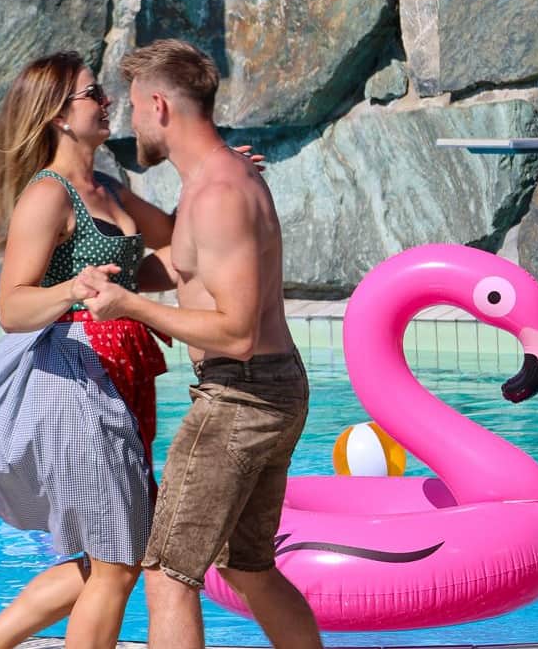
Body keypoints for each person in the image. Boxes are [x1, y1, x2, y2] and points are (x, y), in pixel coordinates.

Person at [0, 50, 180, 649]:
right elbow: (13, 307)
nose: (105, 102)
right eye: (92, 93)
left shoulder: (109, 188)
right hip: (77, 379)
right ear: (58, 115)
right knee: (119, 562)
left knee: (121, 551)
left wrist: (230, 179)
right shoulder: (48, 196)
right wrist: (72, 287)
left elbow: (174, 243)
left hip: (127, 379)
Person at [79, 38, 324, 649]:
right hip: (269, 390)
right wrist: (107, 268)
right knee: (247, 567)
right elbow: (183, 268)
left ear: (159, 106)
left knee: (167, 574)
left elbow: (236, 332)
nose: (127, 120)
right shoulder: (211, 180)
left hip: (240, 397)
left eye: (133, 106)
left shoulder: (216, 194)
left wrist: (131, 308)